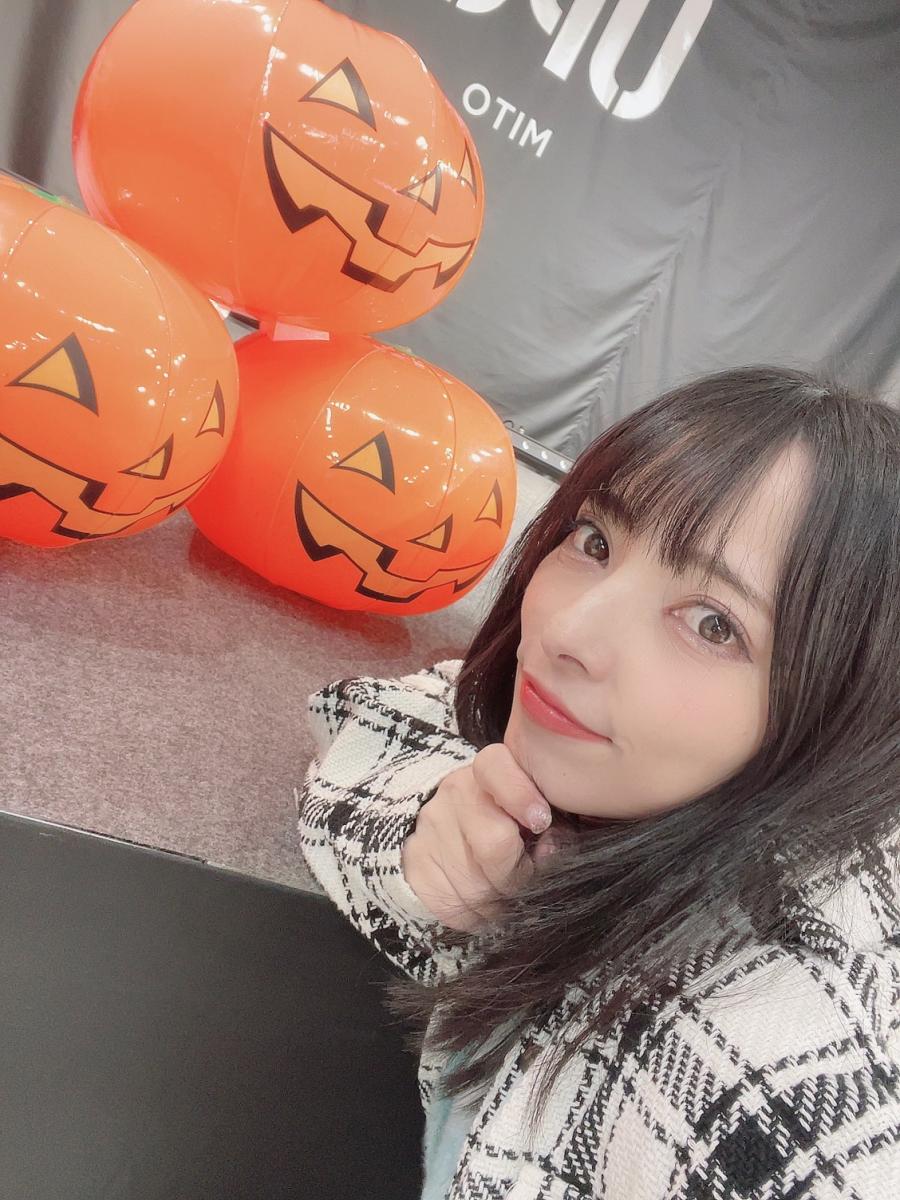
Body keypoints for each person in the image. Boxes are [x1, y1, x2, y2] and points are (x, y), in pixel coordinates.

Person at [298, 366, 900, 1200]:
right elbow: (380, 713)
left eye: (713, 624)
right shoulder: (639, 790)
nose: (568, 632)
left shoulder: (762, 1064)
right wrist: (434, 827)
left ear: (848, 708)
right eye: (595, 543)